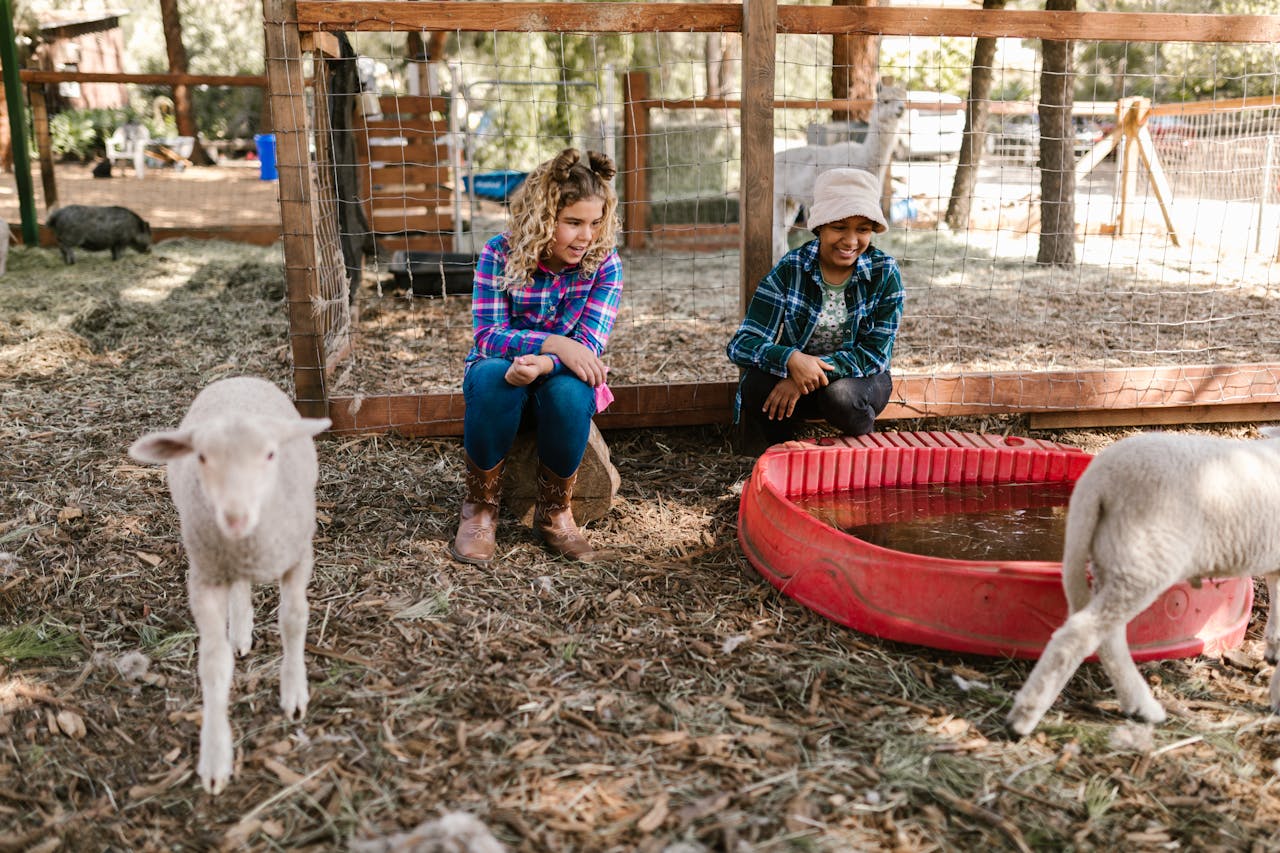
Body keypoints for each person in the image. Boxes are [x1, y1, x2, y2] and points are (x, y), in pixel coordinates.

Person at [451, 148, 622, 565]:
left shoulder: (604, 266)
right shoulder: (499, 253)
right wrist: (551, 344)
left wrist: (549, 361)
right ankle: (480, 508)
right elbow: (488, 335)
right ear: (543, 217)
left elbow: (589, 346)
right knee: (493, 377)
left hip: (558, 374)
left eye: (595, 223)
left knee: (572, 391)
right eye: (573, 223)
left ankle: (555, 513)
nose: (586, 236)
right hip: (503, 369)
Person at [726, 167, 903, 455]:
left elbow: (875, 354)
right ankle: (785, 451)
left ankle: (861, 449)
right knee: (756, 385)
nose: (850, 241)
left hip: (860, 380)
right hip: (795, 374)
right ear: (819, 225)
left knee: (842, 397)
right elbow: (742, 344)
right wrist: (791, 359)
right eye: (839, 227)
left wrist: (804, 376)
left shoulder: (885, 273)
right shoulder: (791, 268)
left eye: (862, 229)